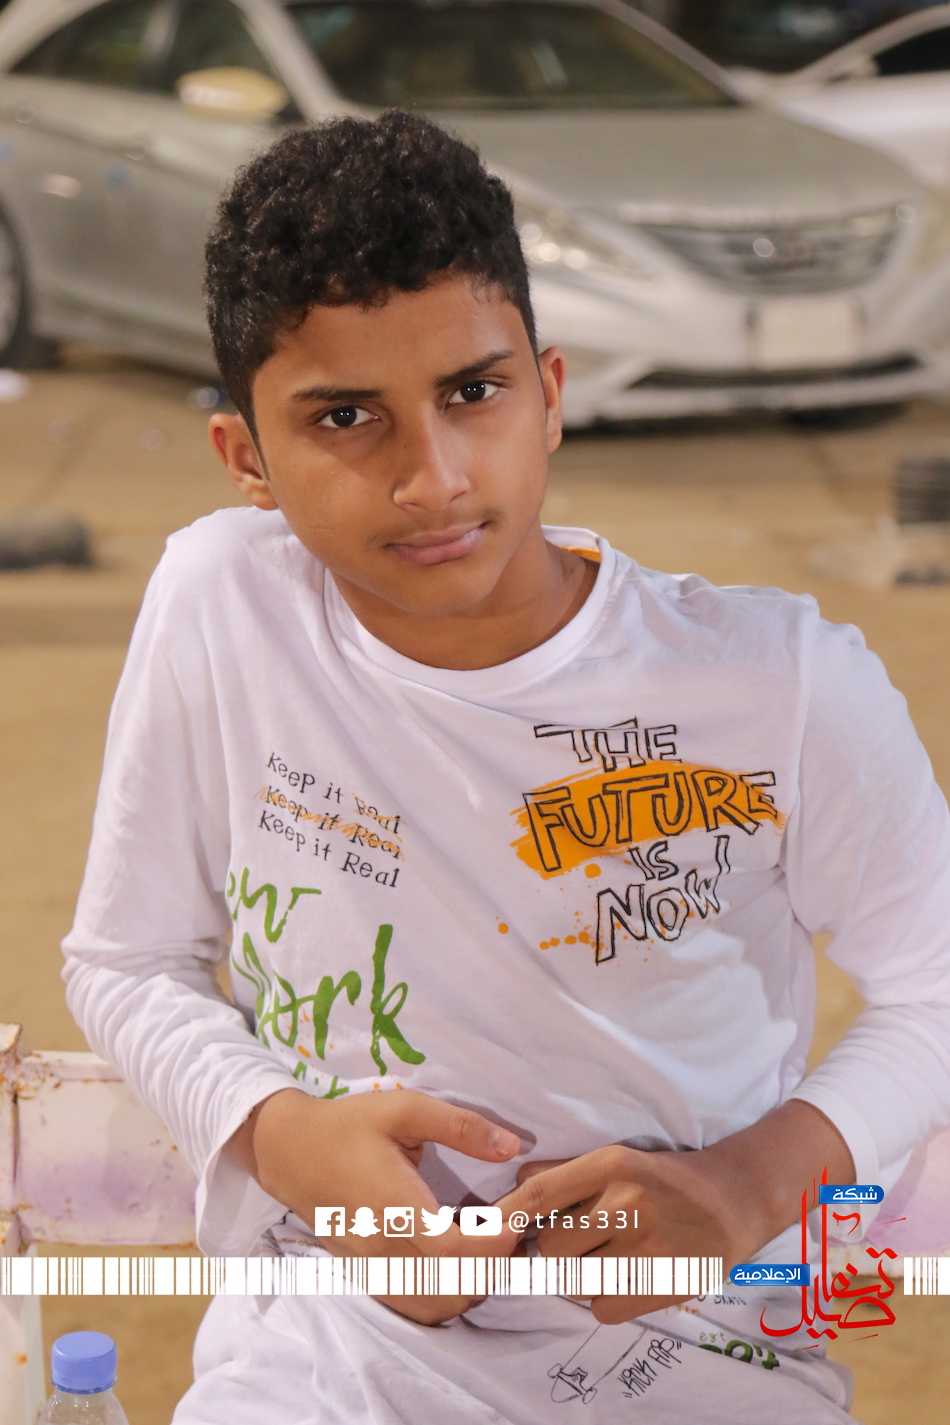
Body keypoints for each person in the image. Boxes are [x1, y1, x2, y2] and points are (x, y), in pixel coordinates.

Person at [63, 110, 950, 1424]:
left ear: (550, 394)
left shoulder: (780, 681)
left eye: (472, 393)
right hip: (322, 1358)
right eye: (346, 416)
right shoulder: (220, 604)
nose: (431, 478)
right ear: (246, 457)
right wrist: (284, 1138)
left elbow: (935, 987)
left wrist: (752, 1185)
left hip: (697, 1358)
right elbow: (124, 960)